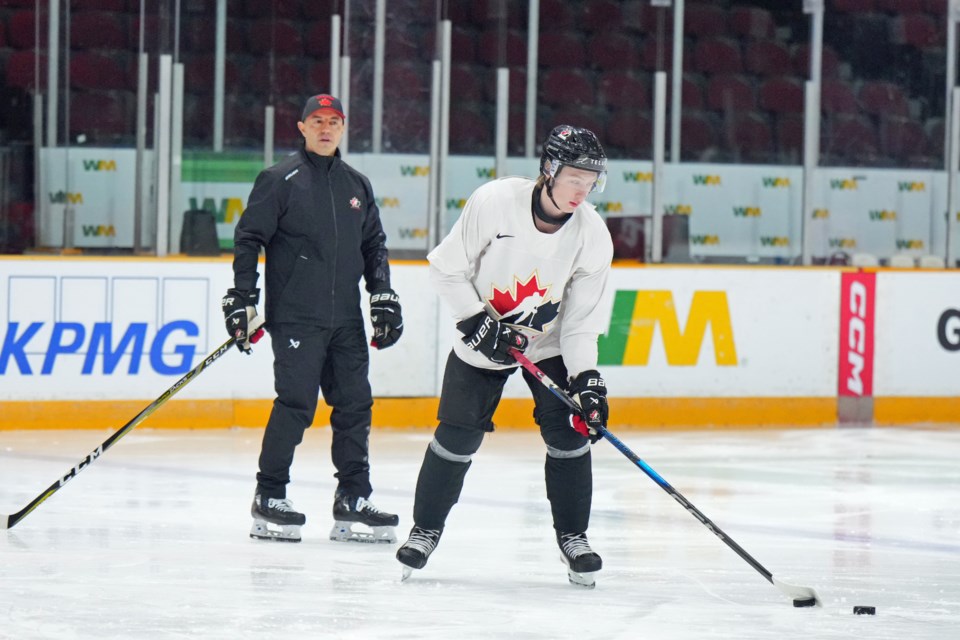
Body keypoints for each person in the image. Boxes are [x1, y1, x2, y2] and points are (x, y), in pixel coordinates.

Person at [395, 125, 614, 587]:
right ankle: (426, 529)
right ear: (549, 168)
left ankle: (573, 536)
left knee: (570, 435)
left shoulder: (592, 234)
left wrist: (588, 380)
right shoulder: (495, 202)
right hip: (483, 331)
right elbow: (446, 268)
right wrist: (475, 320)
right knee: (457, 435)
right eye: (574, 176)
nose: (583, 189)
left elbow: (579, 323)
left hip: (547, 342)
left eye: (591, 179)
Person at [223, 94, 403, 544]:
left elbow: (374, 246)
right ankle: (269, 495)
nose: (326, 128)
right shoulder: (279, 179)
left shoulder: (356, 185)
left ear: (343, 129)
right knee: (297, 405)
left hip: (345, 319)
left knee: (355, 406)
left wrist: (381, 294)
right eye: (317, 121)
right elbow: (249, 238)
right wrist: (242, 297)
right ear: (301, 127)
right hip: (297, 317)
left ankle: (353, 498)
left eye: (334, 122)